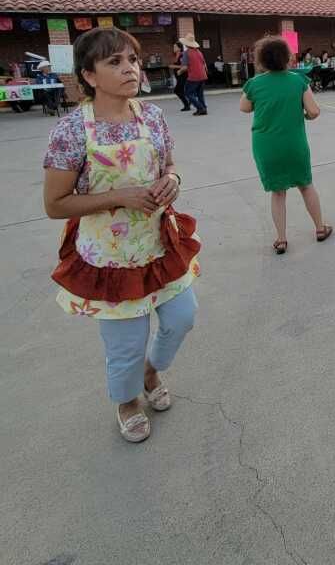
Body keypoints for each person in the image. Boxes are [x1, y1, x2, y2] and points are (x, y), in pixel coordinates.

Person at [42, 27, 201, 443]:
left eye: (131, 59)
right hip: (109, 258)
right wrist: (119, 197)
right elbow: (55, 203)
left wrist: (174, 180)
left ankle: (151, 370)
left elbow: (169, 165)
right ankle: (127, 400)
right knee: (125, 343)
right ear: (89, 76)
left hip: (160, 245)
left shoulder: (152, 116)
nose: (130, 68)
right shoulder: (72, 130)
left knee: (182, 317)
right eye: (115, 62)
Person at [240, 37, 332, 253]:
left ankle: (281, 239)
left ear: (261, 60)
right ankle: (320, 228)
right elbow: (314, 111)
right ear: (287, 58)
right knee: (305, 185)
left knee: (278, 192)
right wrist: (302, 116)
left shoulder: (254, 84)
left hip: (266, 145)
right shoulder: (298, 81)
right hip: (293, 143)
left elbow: (245, 107)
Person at [180, 34, 208, 115]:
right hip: (202, 75)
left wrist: (179, 71)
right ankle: (204, 108)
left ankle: (200, 108)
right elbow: (204, 63)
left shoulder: (186, 53)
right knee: (200, 94)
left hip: (193, 76)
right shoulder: (199, 52)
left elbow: (184, 67)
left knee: (188, 93)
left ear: (186, 44)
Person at [171, 41, 191, 111]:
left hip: (183, 75)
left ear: (179, 48)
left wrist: (174, 66)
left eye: (175, 47)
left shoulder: (182, 55)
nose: (173, 48)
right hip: (178, 76)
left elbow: (184, 66)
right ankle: (188, 103)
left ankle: (187, 104)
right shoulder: (176, 55)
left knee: (177, 90)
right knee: (181, 91)